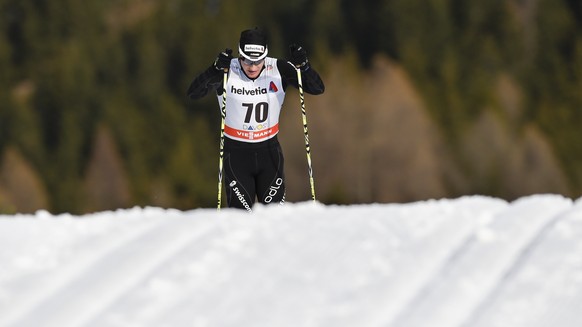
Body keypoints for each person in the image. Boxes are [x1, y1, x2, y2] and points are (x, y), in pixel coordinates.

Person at [187, 27, 325, 211]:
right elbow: (194, 93)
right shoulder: (227, 70)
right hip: (236, 155)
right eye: (246, 60)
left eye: (258, 61)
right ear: (240, 55)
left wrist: (305, 66)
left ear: (265, 55)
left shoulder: (279, 68)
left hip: (269, 153)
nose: (252, 67)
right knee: (239, 219)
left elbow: (316, 88)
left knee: (275, 217)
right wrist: (214, 70)